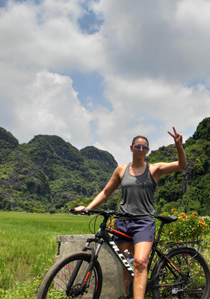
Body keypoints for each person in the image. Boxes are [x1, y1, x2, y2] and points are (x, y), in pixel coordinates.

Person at [75, 127, 187, 299]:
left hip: (143, 223)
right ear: (131, 148)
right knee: (127, 265)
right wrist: (88, 207)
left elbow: (181, 164)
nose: (141, 150)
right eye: (137, 146)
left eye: (144, 147)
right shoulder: (121, 170)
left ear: (148, 151)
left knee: (140, 262)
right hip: (123, 224)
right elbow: (106, 192)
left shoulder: (154, 169)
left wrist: (179, 146)